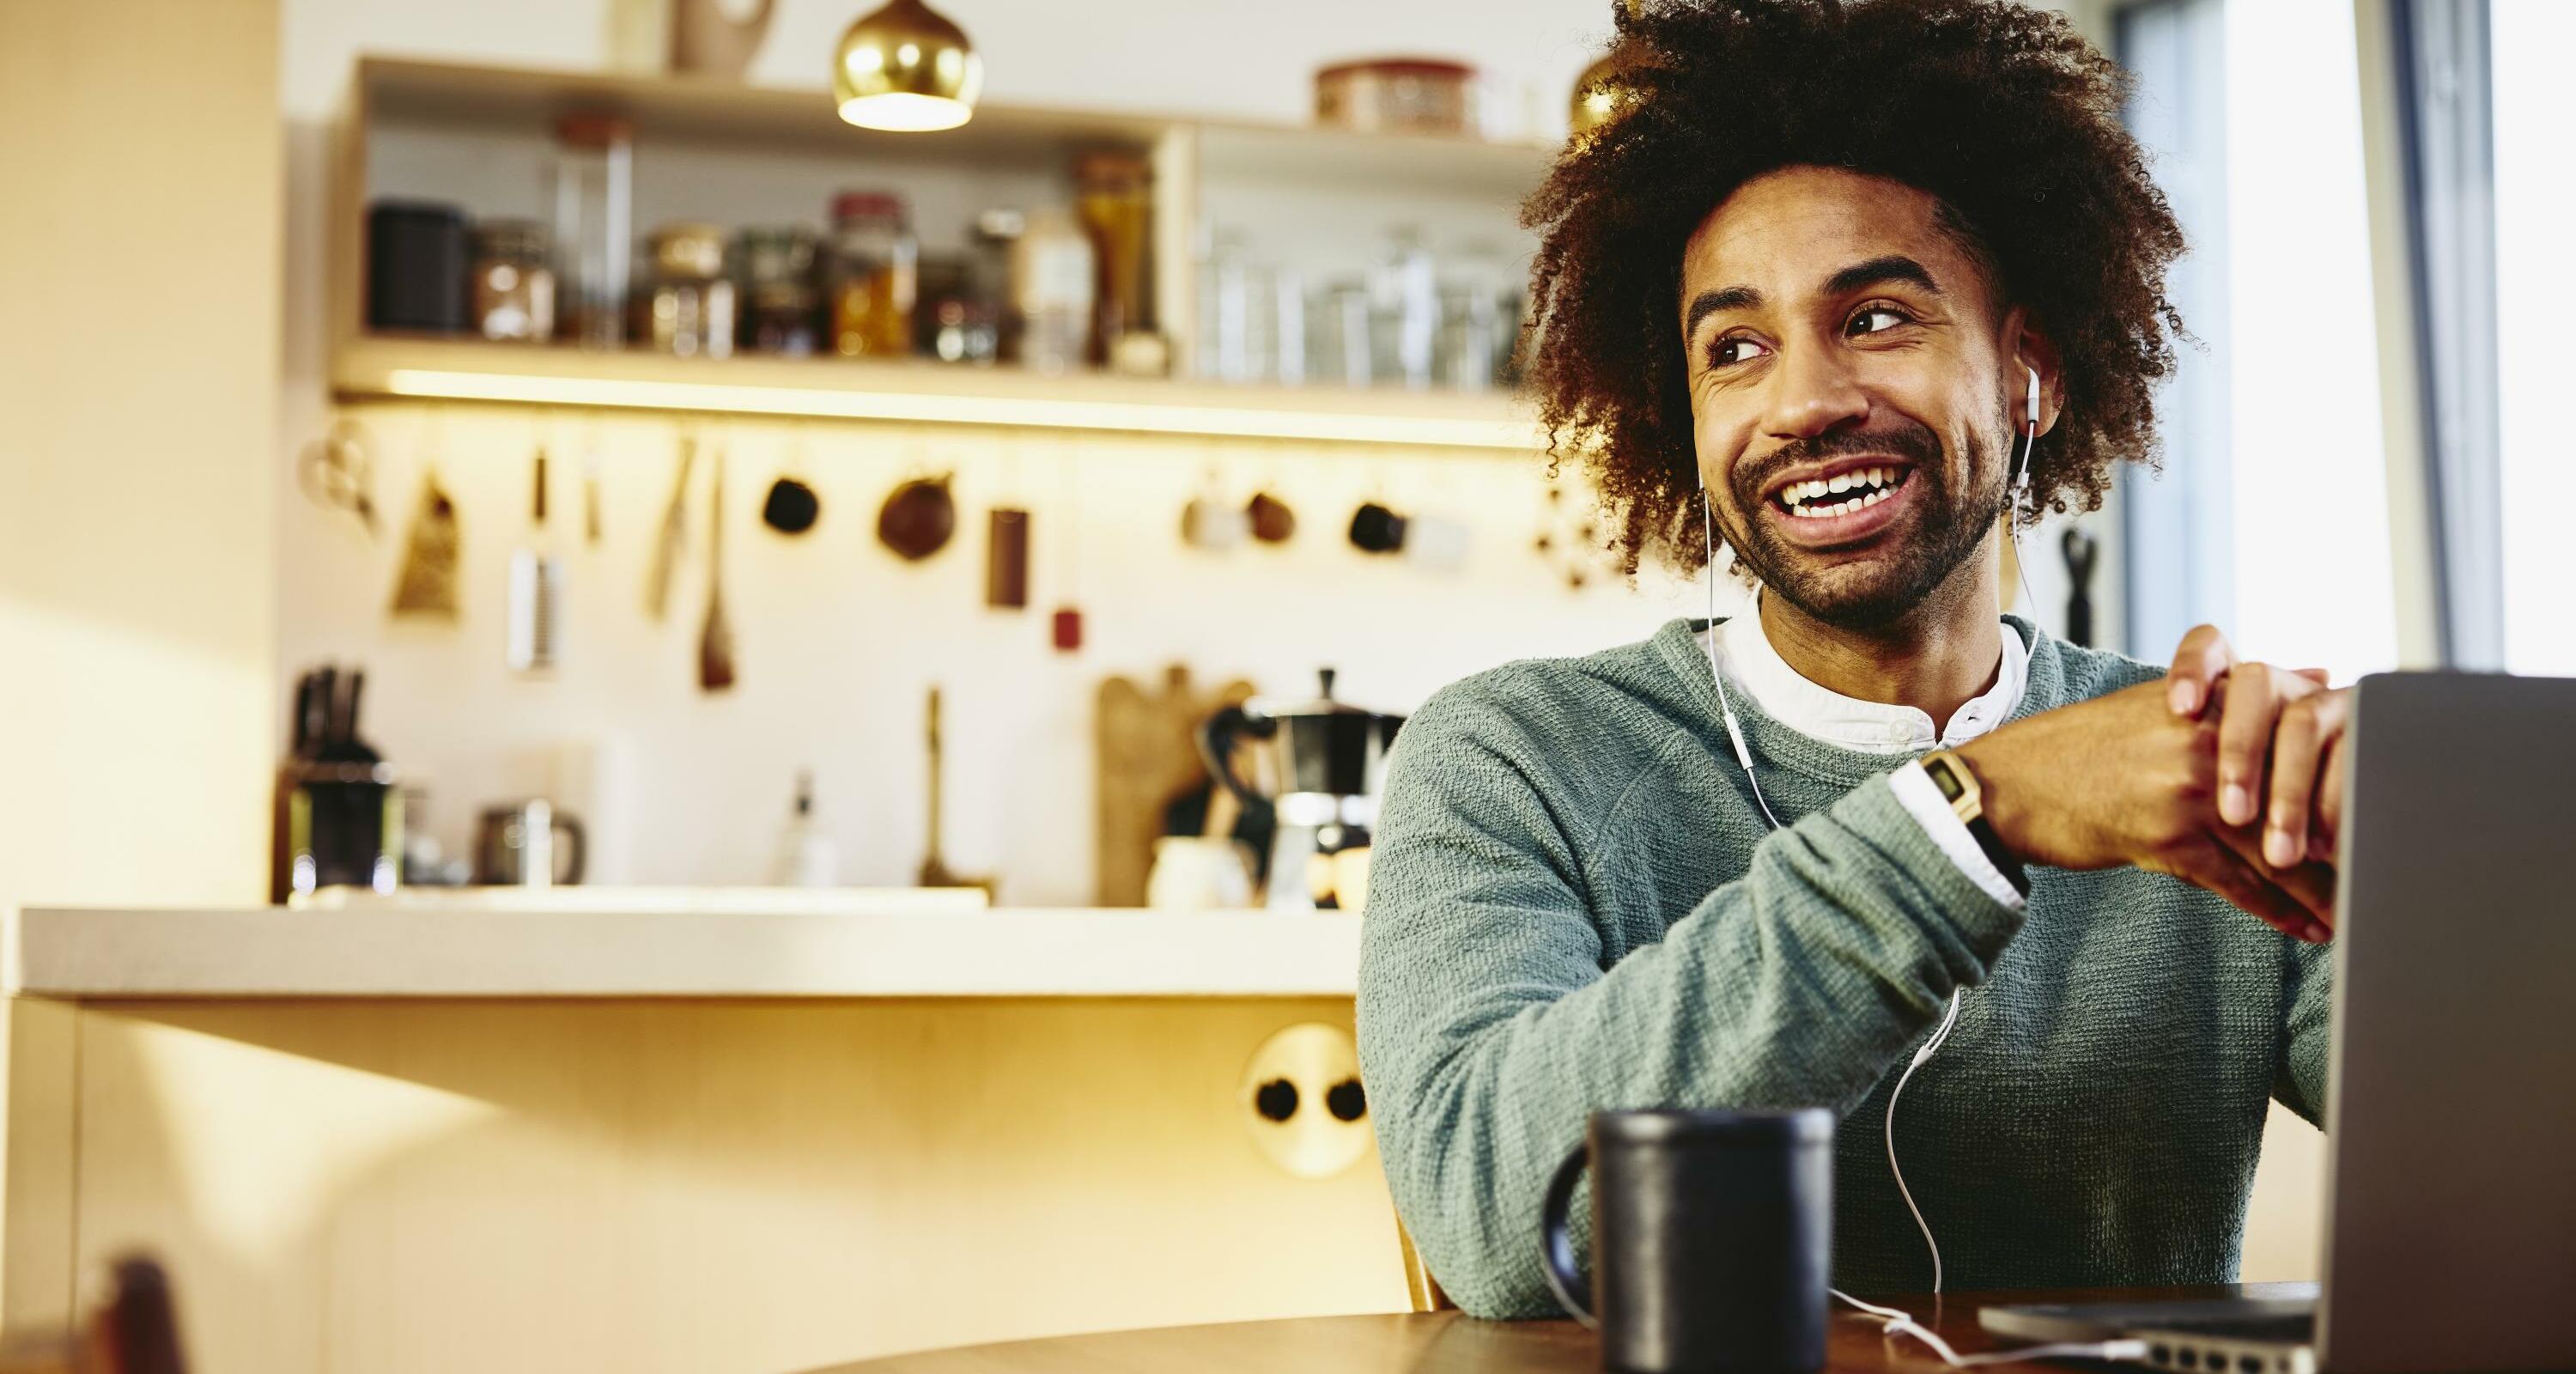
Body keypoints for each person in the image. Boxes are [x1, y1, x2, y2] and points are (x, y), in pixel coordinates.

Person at [1356, 0, 2356, 1319]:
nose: (1804, 401)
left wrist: (2442, 862)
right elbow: (1494, 1220)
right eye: (1735, 348)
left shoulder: (2181, 760)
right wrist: (1971, 813)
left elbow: (2505, 1141)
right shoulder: (1514, 758)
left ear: (2028, 375)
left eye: (1878, 316)